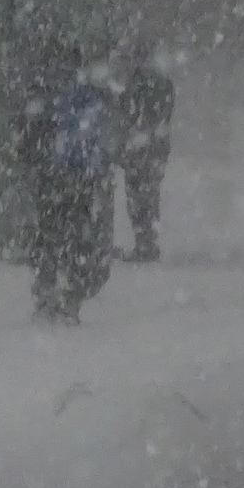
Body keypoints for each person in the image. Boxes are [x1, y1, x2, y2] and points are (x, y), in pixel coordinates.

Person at [28, 49, 117, 324]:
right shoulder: (95, 102)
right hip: (83, 179)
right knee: (79, 238)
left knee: (49, 236)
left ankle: (47, 294)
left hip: (55, 178)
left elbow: (37, 138)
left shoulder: (52, 100)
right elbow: (104, 143)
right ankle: (70, 298)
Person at [115, 43, 174, 263]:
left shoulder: (137, 83)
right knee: (150, 194)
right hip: (157, 145)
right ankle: (149, 242)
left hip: (140, 145)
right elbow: (166, 112)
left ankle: (144, 244)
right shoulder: (162, 81)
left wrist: (125, 140)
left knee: (137, 195)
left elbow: (128, 114)